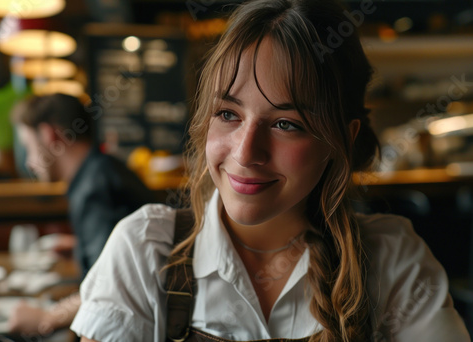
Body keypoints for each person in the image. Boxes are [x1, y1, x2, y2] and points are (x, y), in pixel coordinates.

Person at [70, 0, 471, 341]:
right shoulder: (144, 250)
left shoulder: (391, 261)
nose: (245, 153)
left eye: (286, 124)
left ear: (342, 140)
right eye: (228, 113)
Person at [7, 93, 155, 336]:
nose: (30, 163)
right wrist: (80, 247)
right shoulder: (102, 169)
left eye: (28, 148)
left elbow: (110, 288)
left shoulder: (94, 190)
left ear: (48, 135)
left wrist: (46, 318)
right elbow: (124, 255)